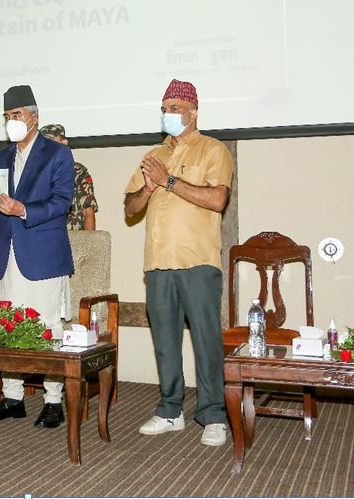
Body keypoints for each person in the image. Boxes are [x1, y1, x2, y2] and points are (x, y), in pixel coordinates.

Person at [123, 80, 232, 446]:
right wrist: (148, 187)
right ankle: (171, 410)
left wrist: (167, 180)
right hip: (158, 262)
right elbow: (130, 208)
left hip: (197, 260)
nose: (167, 114)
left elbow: (217, 199)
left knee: (206, 340)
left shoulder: (213, 150)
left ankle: (213, 415)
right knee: (165, 341)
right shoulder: (153, 155)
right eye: (164, 109)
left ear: (192, 113)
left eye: (174, 108)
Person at [0, 85, 74, 429]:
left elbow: (62, 202)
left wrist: (24, 209)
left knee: (47, 328)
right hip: (9, 254)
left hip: (44, 256)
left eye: (17, 115)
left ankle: (53, 401)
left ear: (34, 117)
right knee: (7, 326)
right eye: (7, 116)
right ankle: (12, 397)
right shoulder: (0, 158)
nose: (11, 121)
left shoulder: (57, 154)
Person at [39, 124, 99, 230]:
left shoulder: (78, 172)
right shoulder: (36, 174)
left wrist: (89, 240)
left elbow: (88, 212)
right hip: (46, 235)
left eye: (51, 141)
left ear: (64, 143)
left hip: (74, 236)